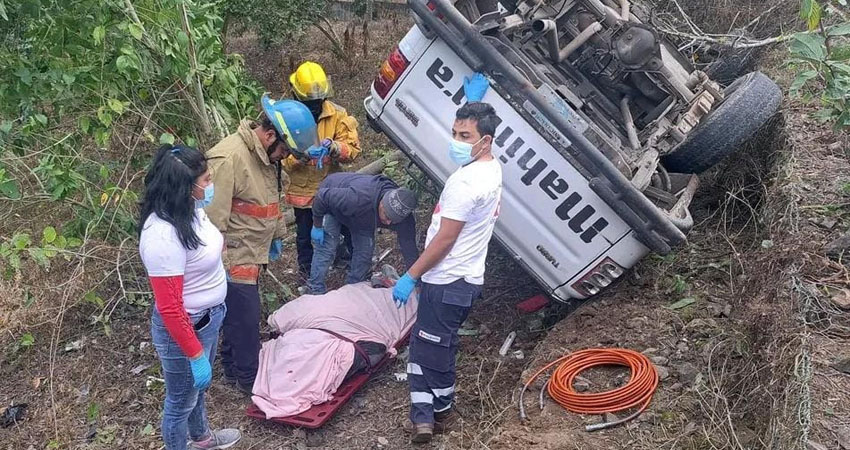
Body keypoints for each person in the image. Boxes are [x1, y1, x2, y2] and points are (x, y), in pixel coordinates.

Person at [393, 76, 500, 444]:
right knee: (432, 344)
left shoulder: (466, 184)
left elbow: (445, 240)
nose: (456, 141)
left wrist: (411, 274)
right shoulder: (488, 168)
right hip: (464, 279)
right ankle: (425, 415)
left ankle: (437, 412)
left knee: (431, 347)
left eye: (465, 136)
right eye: (455, 132)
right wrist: (469, 105)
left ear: (485, 141)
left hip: (447, 280)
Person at [139, 144, 241, 450]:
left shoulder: (189, 210)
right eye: (206, 181)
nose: (210, 186)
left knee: (196, 391)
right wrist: (195, 354)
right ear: (186, 186)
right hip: (186, 330)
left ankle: (202, 439)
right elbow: (170, 307)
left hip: (207, 319)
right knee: (180, 403)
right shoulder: (162, 236)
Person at [204, 94, 300, 394]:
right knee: (245, 322)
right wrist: (217, 265)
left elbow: (269, 199)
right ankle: (249, 380)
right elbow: (211, 220)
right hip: (233, 255)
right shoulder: (228, 158)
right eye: (284, 150)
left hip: (253, 250)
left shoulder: (263, 156)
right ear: (270, 134)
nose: (283, 157)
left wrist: (277, 236)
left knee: (239, 317)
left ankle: (233, 368)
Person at [283, 61, 361, 279]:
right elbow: (280, 159)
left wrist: (336, 148)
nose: (315, 106)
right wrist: (300, 155)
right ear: (296, 95)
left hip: (332, 186)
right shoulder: (286, 118)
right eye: (310, 102)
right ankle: (306, 275)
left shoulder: (337, 114)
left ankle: (350, 264)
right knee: (305, 237)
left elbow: (353, 149)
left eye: (318, 101)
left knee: (347, 227)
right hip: (303, 192)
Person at [308, 173, 419, 294]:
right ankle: (315, 289)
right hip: (331, 205)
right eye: (387, 216)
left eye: (393, 221)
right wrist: (317, 225)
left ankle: (353, 290)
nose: (388, 222)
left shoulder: (405, 220)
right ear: (382, 203)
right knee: (326, 248)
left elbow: (410, 251)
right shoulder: (357, 198)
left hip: (363, 219)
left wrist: (415, 281)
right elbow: (321, 197)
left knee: (364, 255)